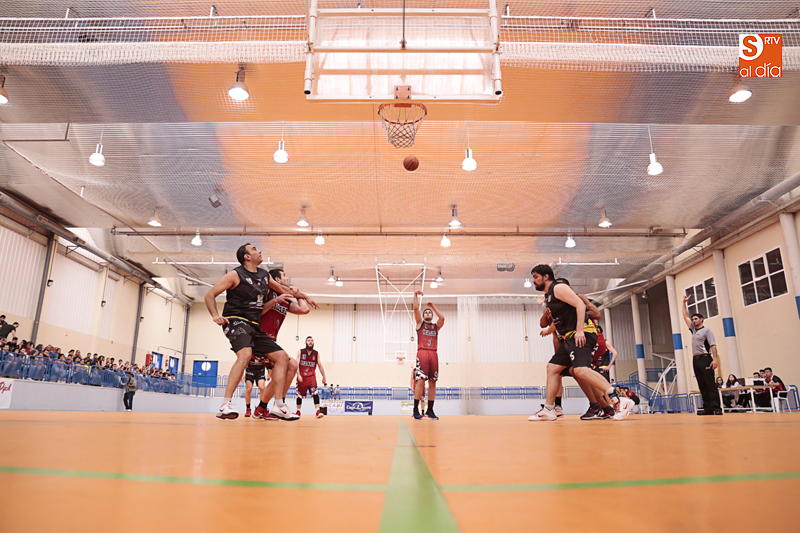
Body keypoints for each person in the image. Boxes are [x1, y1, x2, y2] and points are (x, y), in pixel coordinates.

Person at [204, 243, 317, 420]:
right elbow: (209, 295)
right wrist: (215, 315)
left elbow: (284, 290)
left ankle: (278, 405)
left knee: (282, 357)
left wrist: (305, 296)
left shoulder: (264, 275)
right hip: (235, 320)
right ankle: (225, 405)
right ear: (247, 257)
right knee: (245, 355)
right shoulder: (235, 274)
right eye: (255, 249)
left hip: (254, 325)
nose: (260, 251)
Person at [529, 265, 634, 421]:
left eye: (535, 277)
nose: (533, 281)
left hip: (581, 334)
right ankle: (549, 409)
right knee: (552, 368)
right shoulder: (550, 297)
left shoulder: (559, 288)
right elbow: (553, 322)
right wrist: (549, 329)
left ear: (546, 277)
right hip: (569, 338)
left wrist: (579, 330)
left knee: (580, 370)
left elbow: (580, 305)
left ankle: (619, 399)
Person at [252, 268, 312, 420]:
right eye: (284, 276)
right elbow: (256, 313)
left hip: (271, 342)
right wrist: (273, 302)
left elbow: (304, 310)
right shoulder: (266, 292)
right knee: (289, 364)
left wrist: (298, 295)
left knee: (290, 367)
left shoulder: (284, 298)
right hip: (258, 339)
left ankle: (262, 409)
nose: (287, 278)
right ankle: (278, 405)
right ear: (277, 280)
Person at [682, 296, 721, 415]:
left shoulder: (707, 331)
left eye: (695, 319)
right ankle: (708, 408)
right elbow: (685, 316)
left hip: (705, 359)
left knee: (710, 384)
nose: (693, 320)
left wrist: (715, 360)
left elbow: (713, 346)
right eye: (693, 319)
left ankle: (716, 408)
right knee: (702, 384)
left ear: (701, 319)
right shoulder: (694, 330)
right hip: (696, 360)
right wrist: (683, 303)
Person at [413, 290, 445, 420]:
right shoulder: (420, 323)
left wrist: (433, 307)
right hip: (422, 353)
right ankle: (416, 409)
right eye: (426, 312)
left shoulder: (435, 327)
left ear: (432, 316)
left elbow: (442, 318)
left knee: (433, 382)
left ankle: (430, 410)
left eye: (429, 312)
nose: (427, 313)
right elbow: (415, 308)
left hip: (433, 354)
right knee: (421, 381)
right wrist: (415, 295)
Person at [295, 336, 327, 418]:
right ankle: (298, 411)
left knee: (315, 393)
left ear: (313, 343)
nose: (310, 342)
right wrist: (298, 374)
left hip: (311, 377)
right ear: (305, 342)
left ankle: (318, 411)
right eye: (308, 340)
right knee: (299, 395)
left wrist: (324, 376)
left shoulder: (316, 353)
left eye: (312, 341)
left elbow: (320, 365)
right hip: (302, 377)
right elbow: (296, 364)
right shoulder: (300, 351)